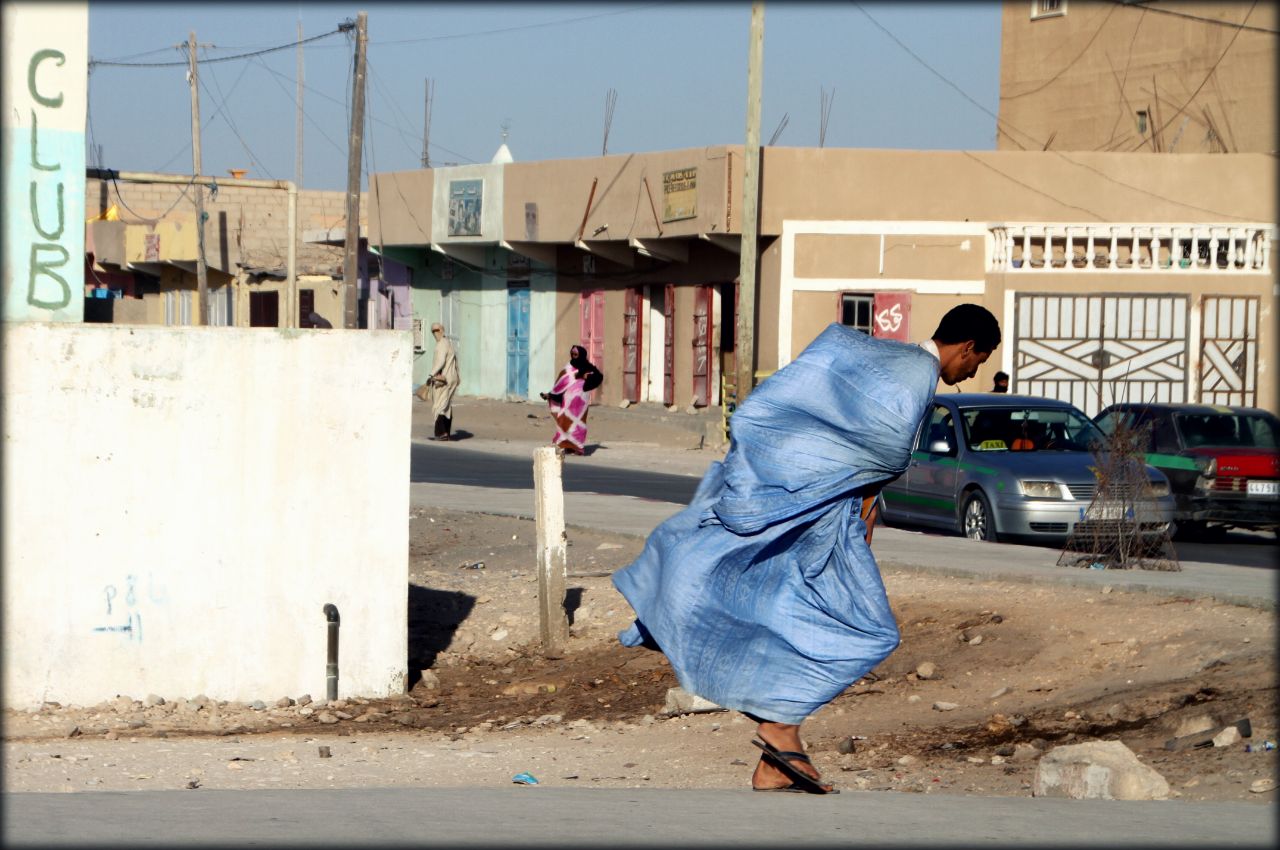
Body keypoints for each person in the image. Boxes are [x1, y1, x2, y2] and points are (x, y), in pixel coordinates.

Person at [611, 304, 1000, 793]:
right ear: (967, 348)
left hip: (825, 517)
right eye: (977, 362)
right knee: (869, 631)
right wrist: (862, 500)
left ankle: (780, 750)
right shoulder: (912, 377)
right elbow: (877, 449)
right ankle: (778, 728)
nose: (972, 373)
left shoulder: (888, 360)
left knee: (788, 606)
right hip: (821, 519)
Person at [541, 344, 603, 455]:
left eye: (576, 354)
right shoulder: (568, 367)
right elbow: (561, 383)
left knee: (578, 424)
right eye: (572, 354)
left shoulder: (588, 367)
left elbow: (598, 377)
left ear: (581, 355)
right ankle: (566, 446)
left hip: (581, 401)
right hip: (567, 400)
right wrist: (550, 395)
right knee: (563, 421)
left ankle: (578, 447)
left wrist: (587, 378)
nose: (574, 356)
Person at [426, 322, 460, 441]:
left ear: (442, 330)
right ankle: (446, 432)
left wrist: (431, 375)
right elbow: (455, 361)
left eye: (437, 330)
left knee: (438, 406)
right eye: (433, 331)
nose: (435, 333)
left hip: (443, 380)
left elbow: (440, 361)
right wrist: (458, 377)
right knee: (446, 406)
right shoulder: (448, 343)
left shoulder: (441, 344)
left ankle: (441, 433)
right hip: (452, 378)